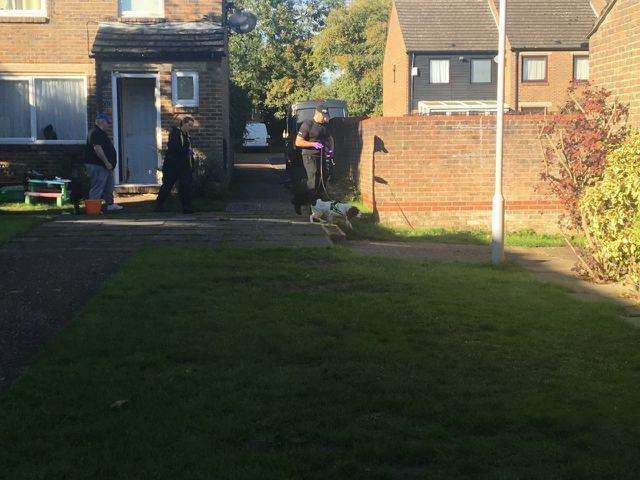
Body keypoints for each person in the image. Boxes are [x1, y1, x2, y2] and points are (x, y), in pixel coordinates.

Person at [293, 106, 334, 214]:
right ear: (317, 113)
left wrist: (331, 150)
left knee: (323, 178)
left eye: (326, 116)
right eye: (323, 116)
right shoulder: (307, 124)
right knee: (314, 179)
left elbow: (330, 139)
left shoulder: (324, 126)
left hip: (321, 156)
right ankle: (308, 205)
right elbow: (298, 142)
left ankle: (315, 202)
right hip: (309, 156)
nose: (325, 118)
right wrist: (312, 144)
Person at [155, 115, 195, 214]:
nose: (190, 127)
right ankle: (159, 205)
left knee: (185, 186)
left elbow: (186, 151)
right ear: (184, 124)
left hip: (183, 166)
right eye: (189, 125)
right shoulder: (176, 134)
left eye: (191, 126)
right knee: (167, 185)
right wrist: (187, 151)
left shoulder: (187, 136)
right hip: (172, 166)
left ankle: (186, 207)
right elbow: (175, 148)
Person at [84, 113, 122, 212]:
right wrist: (106, 162)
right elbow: (97, 148)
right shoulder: (95, 132)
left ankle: (110, 204)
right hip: (98, 164)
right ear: (101, 121)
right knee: (98, 186)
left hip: (106, 166)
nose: (108, 125)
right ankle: (93, 209)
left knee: (109, 186)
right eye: (107, 122)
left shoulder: (101, 133)